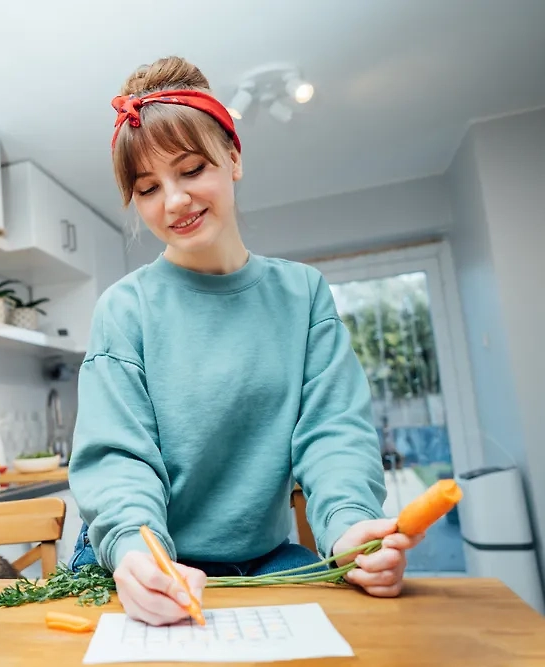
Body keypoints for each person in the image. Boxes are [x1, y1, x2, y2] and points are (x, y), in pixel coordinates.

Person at [66, 55, 425, 627]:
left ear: (232, 158)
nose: (175, 200)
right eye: (148, 187)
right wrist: (140, 555)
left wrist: (352, 525)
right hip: (142, 561)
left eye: (190, 170)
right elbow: (118, 459)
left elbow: (333, 433)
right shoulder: (125, 308)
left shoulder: (302, 294)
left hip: (263, 560)